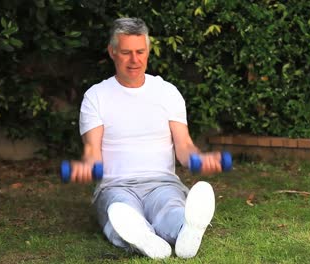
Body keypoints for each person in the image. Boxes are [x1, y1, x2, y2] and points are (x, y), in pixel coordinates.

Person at [69, 17, 223, 259]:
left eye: (140, 51)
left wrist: (199, 159)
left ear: (148, 51)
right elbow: (92, 149)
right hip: (116, 185)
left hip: (162, 182)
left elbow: (184, 146)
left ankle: (186, 231)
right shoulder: (95, 96)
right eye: (126, 52)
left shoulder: (168, 93)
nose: (135, 60)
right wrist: (88, 165)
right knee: (119, 210)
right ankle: (143, 236)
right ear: (112, 52)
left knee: (170, 207)